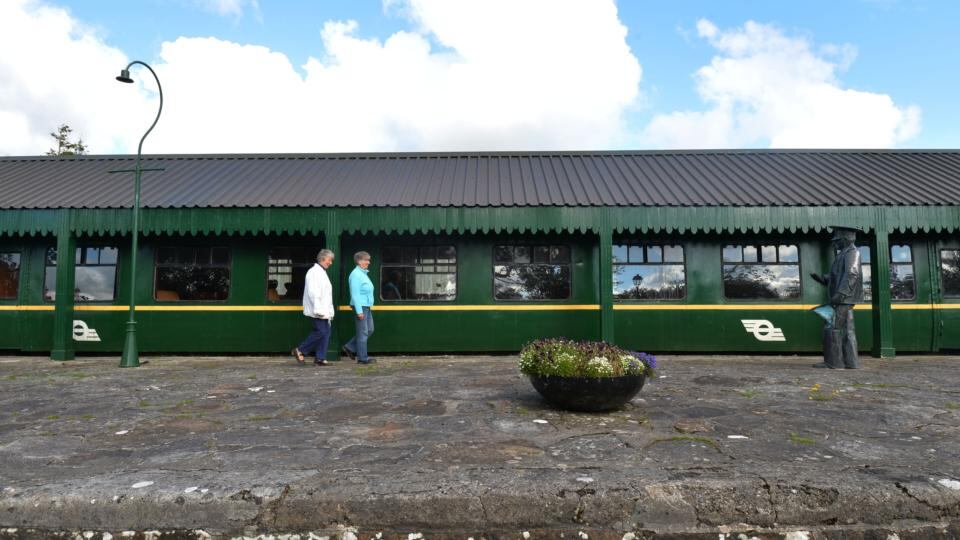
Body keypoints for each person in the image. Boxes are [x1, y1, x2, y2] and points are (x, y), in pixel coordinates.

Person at [810, 226, 864, 369]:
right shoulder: (845, 253)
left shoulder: (852, 252)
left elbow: (852, 273)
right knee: (848, 330)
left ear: (845, 239)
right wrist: (822, 279)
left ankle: (834, 362)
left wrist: (840, 294)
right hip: (844, 299)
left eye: (837, 240)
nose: (835, 243)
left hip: (843, 299)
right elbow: (837, 277)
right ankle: (851, 362)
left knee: (832, 328)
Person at [292, 249, 335, 366]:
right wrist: (318, 309)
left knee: (326, 332)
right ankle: (300, 350)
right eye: (329, 260)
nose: (331, 262)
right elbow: (313, 292)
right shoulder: (314, 272)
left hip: (323, 309)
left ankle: (320, 358)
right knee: (321, 331)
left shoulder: (321, 272)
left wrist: (328, 310)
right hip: (318, 309)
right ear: (322, 259)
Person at [343, 251, 376, 364]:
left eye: (368, 259)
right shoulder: (356, 275)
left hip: (366, 306)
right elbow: (355, 294)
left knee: (370, 329)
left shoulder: (363, 274)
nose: (369, 262)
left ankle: (349, 347)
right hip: (361, 307)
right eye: (366, 260)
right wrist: (359, 311)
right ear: (359, 261)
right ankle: (362, 358)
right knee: (363, 332)